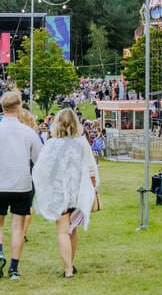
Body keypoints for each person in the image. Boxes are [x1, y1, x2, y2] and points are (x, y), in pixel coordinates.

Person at [0, 91, 41, 281]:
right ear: (19, 107)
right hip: (22, 185)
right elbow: (39, 159)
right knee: (17, 228)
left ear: (2, 109)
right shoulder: (28, 133)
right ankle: (14, 268)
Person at [32, 108, 99, 279]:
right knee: (72, 230)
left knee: (63, 231)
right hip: (77, 192)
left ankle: (68, 268)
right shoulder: (82, 142)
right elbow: (91, 168)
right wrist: (93, 188)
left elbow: (42, 169)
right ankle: (70, 264)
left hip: (59, 193)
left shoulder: (52, 144)